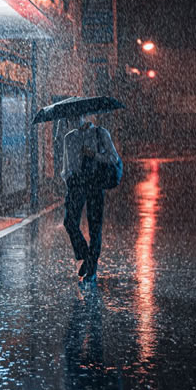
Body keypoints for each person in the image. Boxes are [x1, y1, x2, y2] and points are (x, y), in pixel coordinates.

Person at [56, 113, 122, 282]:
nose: (73, 120)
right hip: (77, 184)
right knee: (69, 222)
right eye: (70, 118)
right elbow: (66, 166)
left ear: (84, 116)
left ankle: (91, 269)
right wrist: (69, 179)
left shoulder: (100, 133)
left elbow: (113, 158)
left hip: (95, 182)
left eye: (76, 117)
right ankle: (86, 256)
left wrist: (94, 154)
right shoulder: (69, 138)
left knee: (95, 227)